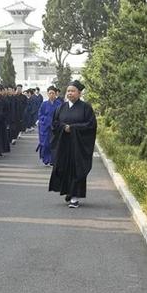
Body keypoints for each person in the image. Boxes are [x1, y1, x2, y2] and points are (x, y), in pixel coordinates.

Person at [48, 80, 97, 209]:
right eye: (68, 91)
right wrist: (64, 127)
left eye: (73, 91)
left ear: (79, 93)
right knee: (64, 168)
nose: (70, 93)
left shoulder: (86, 108)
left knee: (76, 169)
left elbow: (90, 125)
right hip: (63, 144)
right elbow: (55, 124)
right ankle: (69, 192)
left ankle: (75, 197)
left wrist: (73, 128)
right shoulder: (61, 108)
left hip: (78, 146)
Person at [37, 86, 62, 166]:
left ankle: (53, 160)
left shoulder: (59, 104)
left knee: (54, 144)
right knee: (45, 144)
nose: (51, 95)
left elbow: (62, 115)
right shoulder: (44, 104)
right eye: (50, 93)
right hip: (46, 128)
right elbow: (40, 115)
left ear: (56, 94)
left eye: (53, 93)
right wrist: (47, 120)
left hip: (55, 128)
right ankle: (45, 158)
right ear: (47, 94)